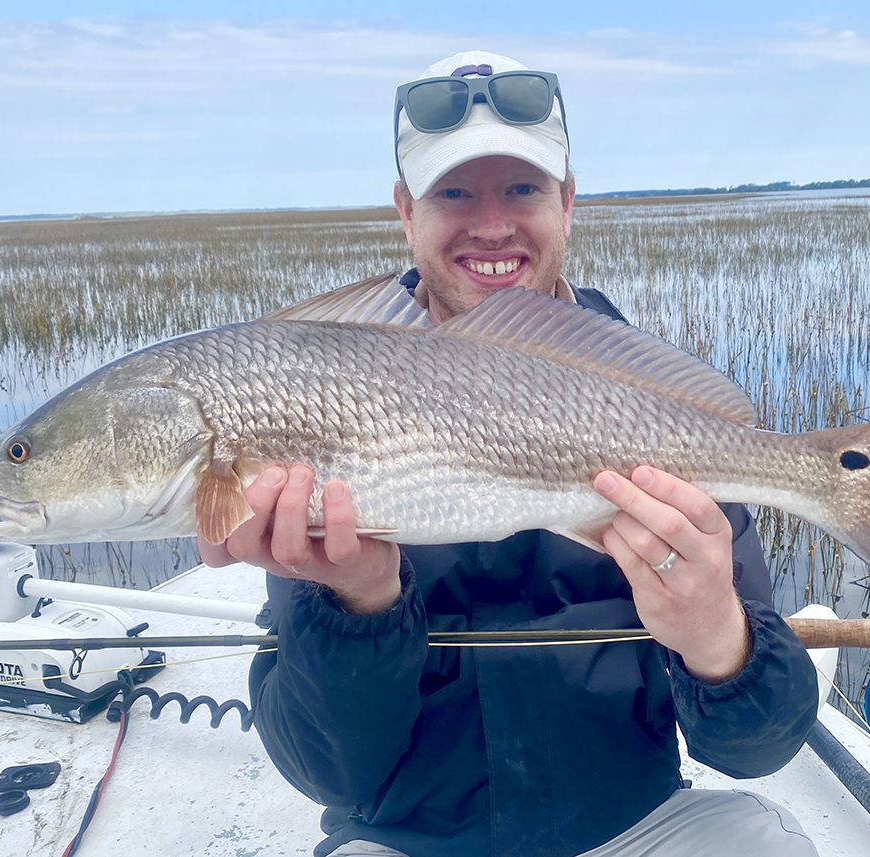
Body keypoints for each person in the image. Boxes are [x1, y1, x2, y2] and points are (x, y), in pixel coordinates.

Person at [200, 50, 820, 857]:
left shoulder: (653, 409)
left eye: (521, 189)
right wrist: (358, 602)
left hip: (639, 825)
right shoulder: (320, 388)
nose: (490, 224)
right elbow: (328, 773)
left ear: (568, 203)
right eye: (453, 192)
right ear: (404, 211)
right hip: (406, 840)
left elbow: (755, 749)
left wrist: (717, 639)